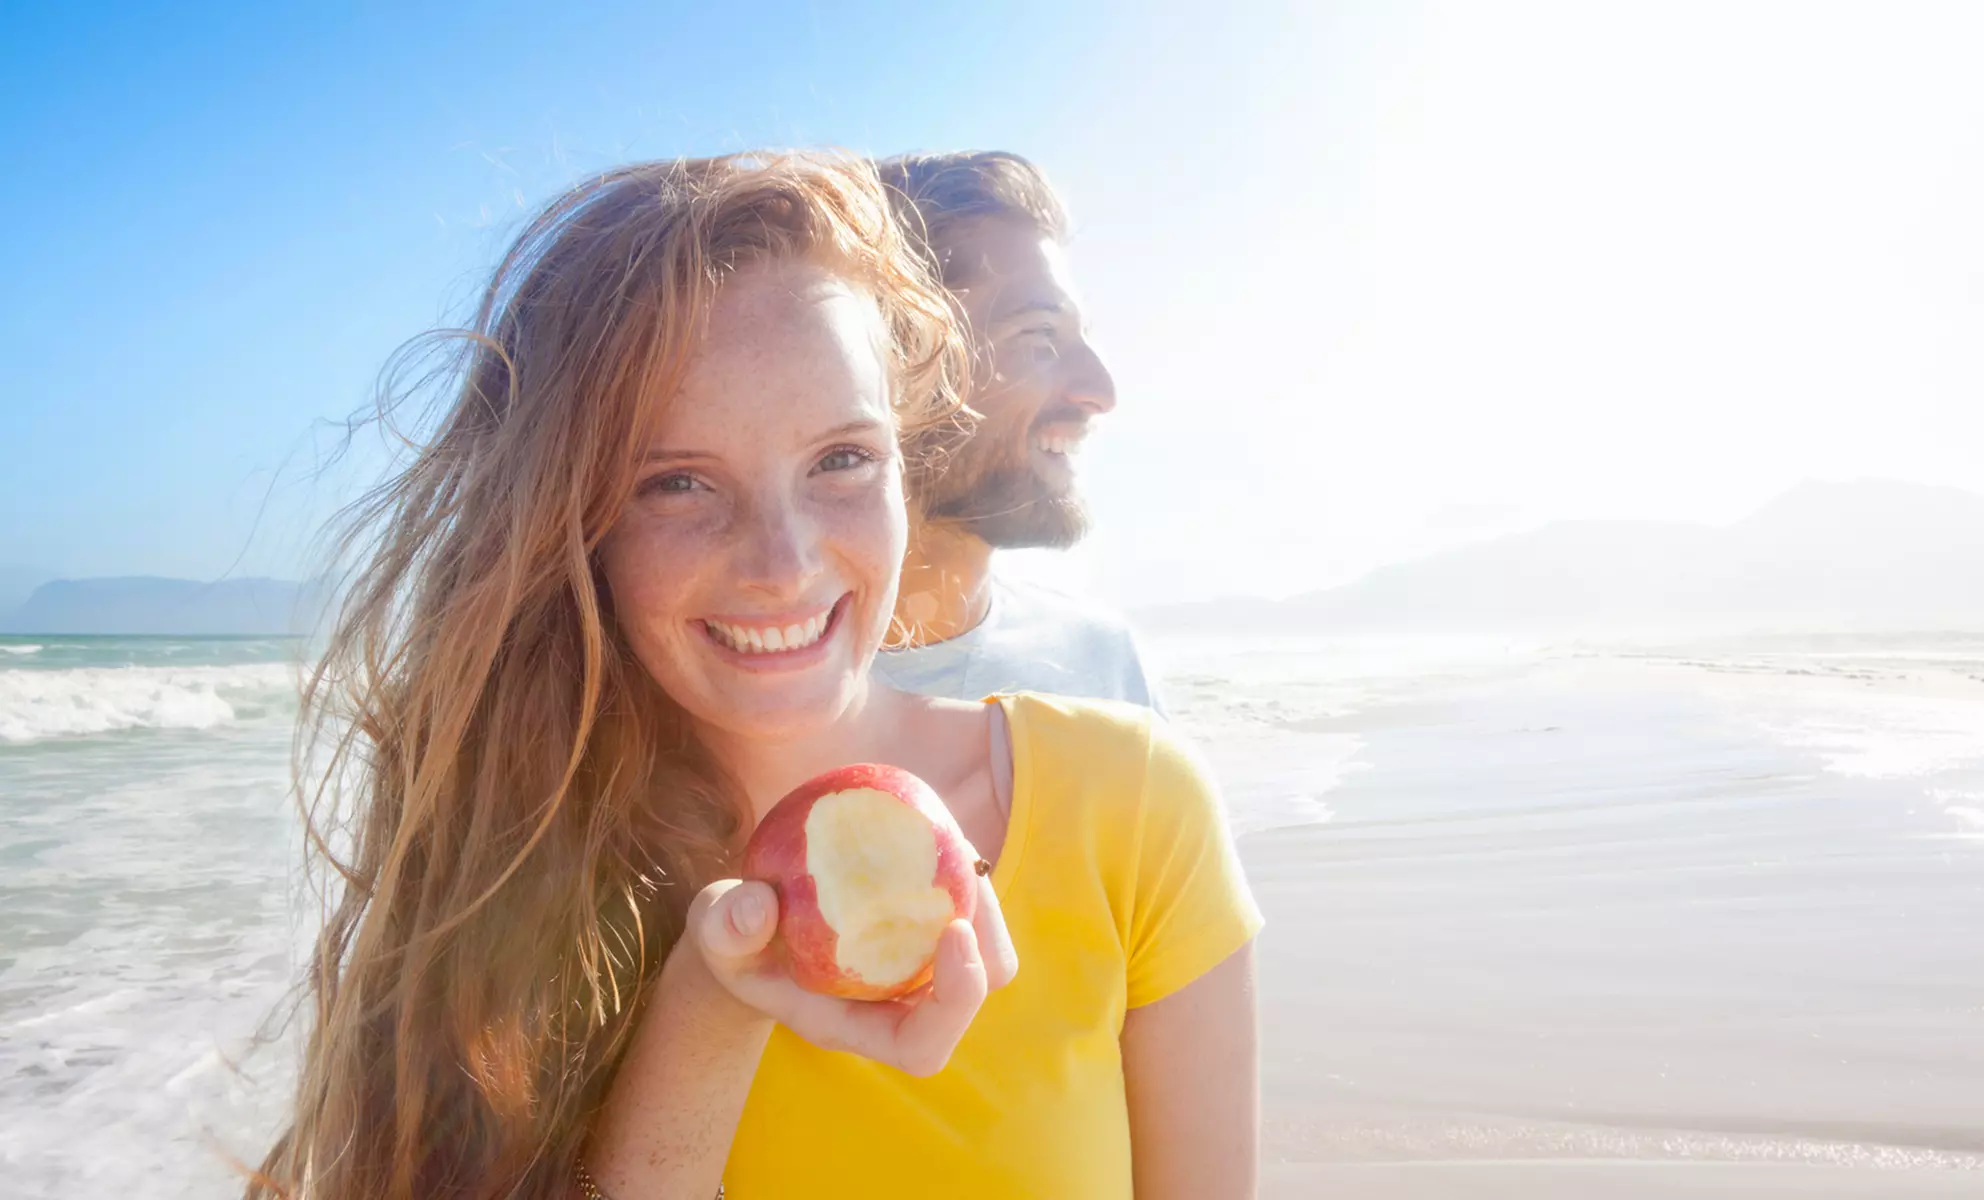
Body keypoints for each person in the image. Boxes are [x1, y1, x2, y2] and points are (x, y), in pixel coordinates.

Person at [247, 152, 1258, 1200]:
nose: (783, 564)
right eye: (676, 481)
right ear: (566, 528)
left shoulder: (1133, 806)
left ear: (908, 460)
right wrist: (713, 1004)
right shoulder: (518, 876)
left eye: (840, 460)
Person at [873, 151, 1160, 708]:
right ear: (891, 362)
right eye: (1042, 339)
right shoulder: (724, 691)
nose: (1101, 392)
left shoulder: (1102, 670)